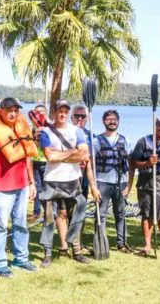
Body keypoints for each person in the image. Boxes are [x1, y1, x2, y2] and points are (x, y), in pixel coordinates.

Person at [38, 99, 94, 267]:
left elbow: (84, 155)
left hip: (72, 179)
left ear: (68, 113)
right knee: (50, 217)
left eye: (65, 111)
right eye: (59, 111)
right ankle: (48, 253)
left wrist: (61, 154)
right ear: (54, 112)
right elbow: (50, 157)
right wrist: (71, 151)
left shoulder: (77, 131)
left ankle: (76, 250)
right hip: (52, 180)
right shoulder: (45, 132)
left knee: (77, 214)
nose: (62, 114)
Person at [0, 98, 38, 278]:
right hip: (1, 187)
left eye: (16, 110)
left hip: (22, 185)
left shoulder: (20, 128)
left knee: (21, 224)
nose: (13, 113)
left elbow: (27, 157)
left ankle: (21, 259)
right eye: (9, 109)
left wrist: (32, 182)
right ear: (0, 111)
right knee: (0, 226)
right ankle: (0, 263)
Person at [131, 115, 160, 255]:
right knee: (147, 215)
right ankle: (147, 246)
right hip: (145, 182)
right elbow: (134, 163)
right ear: (155, 125)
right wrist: (147, 163)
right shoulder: (143, 142)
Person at [92, 109, 132, 253]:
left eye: (114, 119)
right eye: (109, 119)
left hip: (121, 182)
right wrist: (93, 187)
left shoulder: (125, 140)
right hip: (102, 182)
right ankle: (102, 241)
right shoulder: (96, 141)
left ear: (118, 121)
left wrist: (129, 185)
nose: (112, 121)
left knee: (120, 213)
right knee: (101, 214)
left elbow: (131, 164)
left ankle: (121, 243)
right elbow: (90, 165)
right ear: (103, 121)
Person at [71, 104, 94, 254]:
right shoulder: (65, 132)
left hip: (83, 179)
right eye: (77, 116)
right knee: (64, 211)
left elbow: (91, 159)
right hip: (66, 179)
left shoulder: (91, 135)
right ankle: (65, 243)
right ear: (71, 117)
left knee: (80, 210)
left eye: (83, 116)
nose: (80, 119)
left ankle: (77, 241)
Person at [29, 104, 48, 221]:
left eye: (41, 112)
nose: (39, 115)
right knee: (37, 188)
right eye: (36, 112)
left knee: (47, 190)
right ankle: (36, 212)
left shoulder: (49, 127)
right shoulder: (32, 128)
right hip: (35, 162)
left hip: (46, 163)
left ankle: (49, 213)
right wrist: (34, 137)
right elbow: (30, 145)